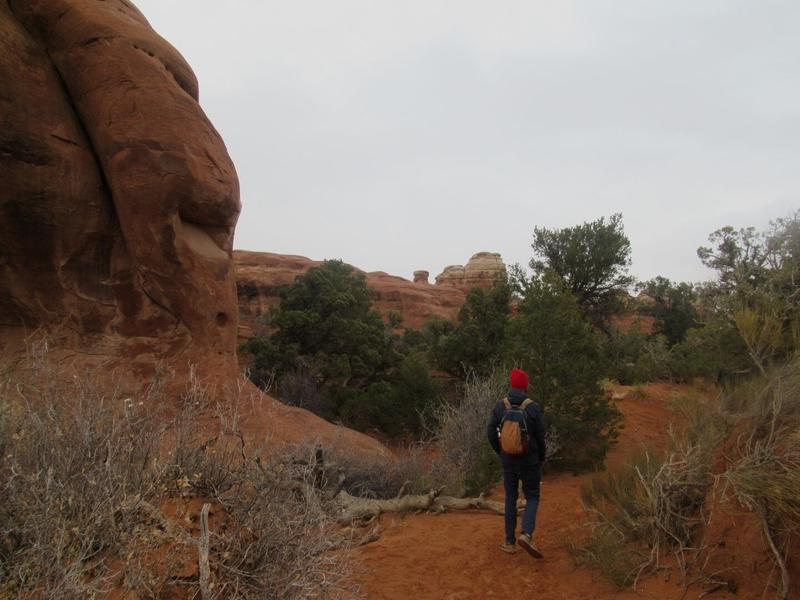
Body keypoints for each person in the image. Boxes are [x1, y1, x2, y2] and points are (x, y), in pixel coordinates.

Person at [487, 368, 546, 558]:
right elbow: (540, 436)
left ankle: (509, 542)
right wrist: (541, 458)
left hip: (508, 460)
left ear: (512, 385)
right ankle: (527, 534)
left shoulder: (500, 406)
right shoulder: (532, 407)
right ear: (525, 386)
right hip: (529, 460)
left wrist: (501, 451)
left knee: (510, 498)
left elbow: (490, 432)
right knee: (533, 497)